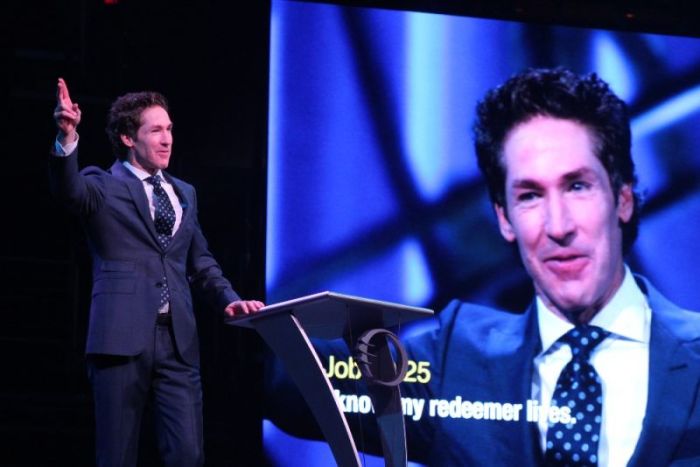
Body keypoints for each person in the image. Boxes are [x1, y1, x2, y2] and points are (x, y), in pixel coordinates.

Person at [264, 69, 700, 467]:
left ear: (622, 197)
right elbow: (300, 382)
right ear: (505, 219)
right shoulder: (460, 359)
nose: (559, 226)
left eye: (577, 186)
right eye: (530, 196)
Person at [50, 78, 265, 467]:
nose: (167, 139)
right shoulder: (102, 184)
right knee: (116, 455)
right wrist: (67, 137)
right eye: (156, 130)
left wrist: (230, 300)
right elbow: (69, 193)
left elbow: (201, 262)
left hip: (178, 339)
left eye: (169, 129)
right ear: (128, 138)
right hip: (120, 335)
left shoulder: (184, 192)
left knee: (187, 454)